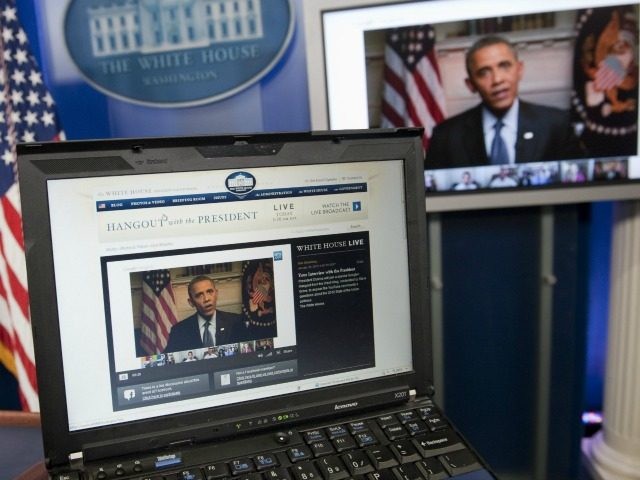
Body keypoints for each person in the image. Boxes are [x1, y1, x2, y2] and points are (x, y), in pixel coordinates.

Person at [425, 35, 585, 169]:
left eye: (504, 66)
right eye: (483, 72)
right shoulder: (446, 136)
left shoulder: (557, 124)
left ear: (519, 70)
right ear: (471, 84)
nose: (497, 79)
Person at [164, 275, 246, 353]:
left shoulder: (236, 322)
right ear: (191, 302)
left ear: (216, 294)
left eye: (210, 292)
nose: (206, 299)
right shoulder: (179, 331)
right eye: (199, 295)